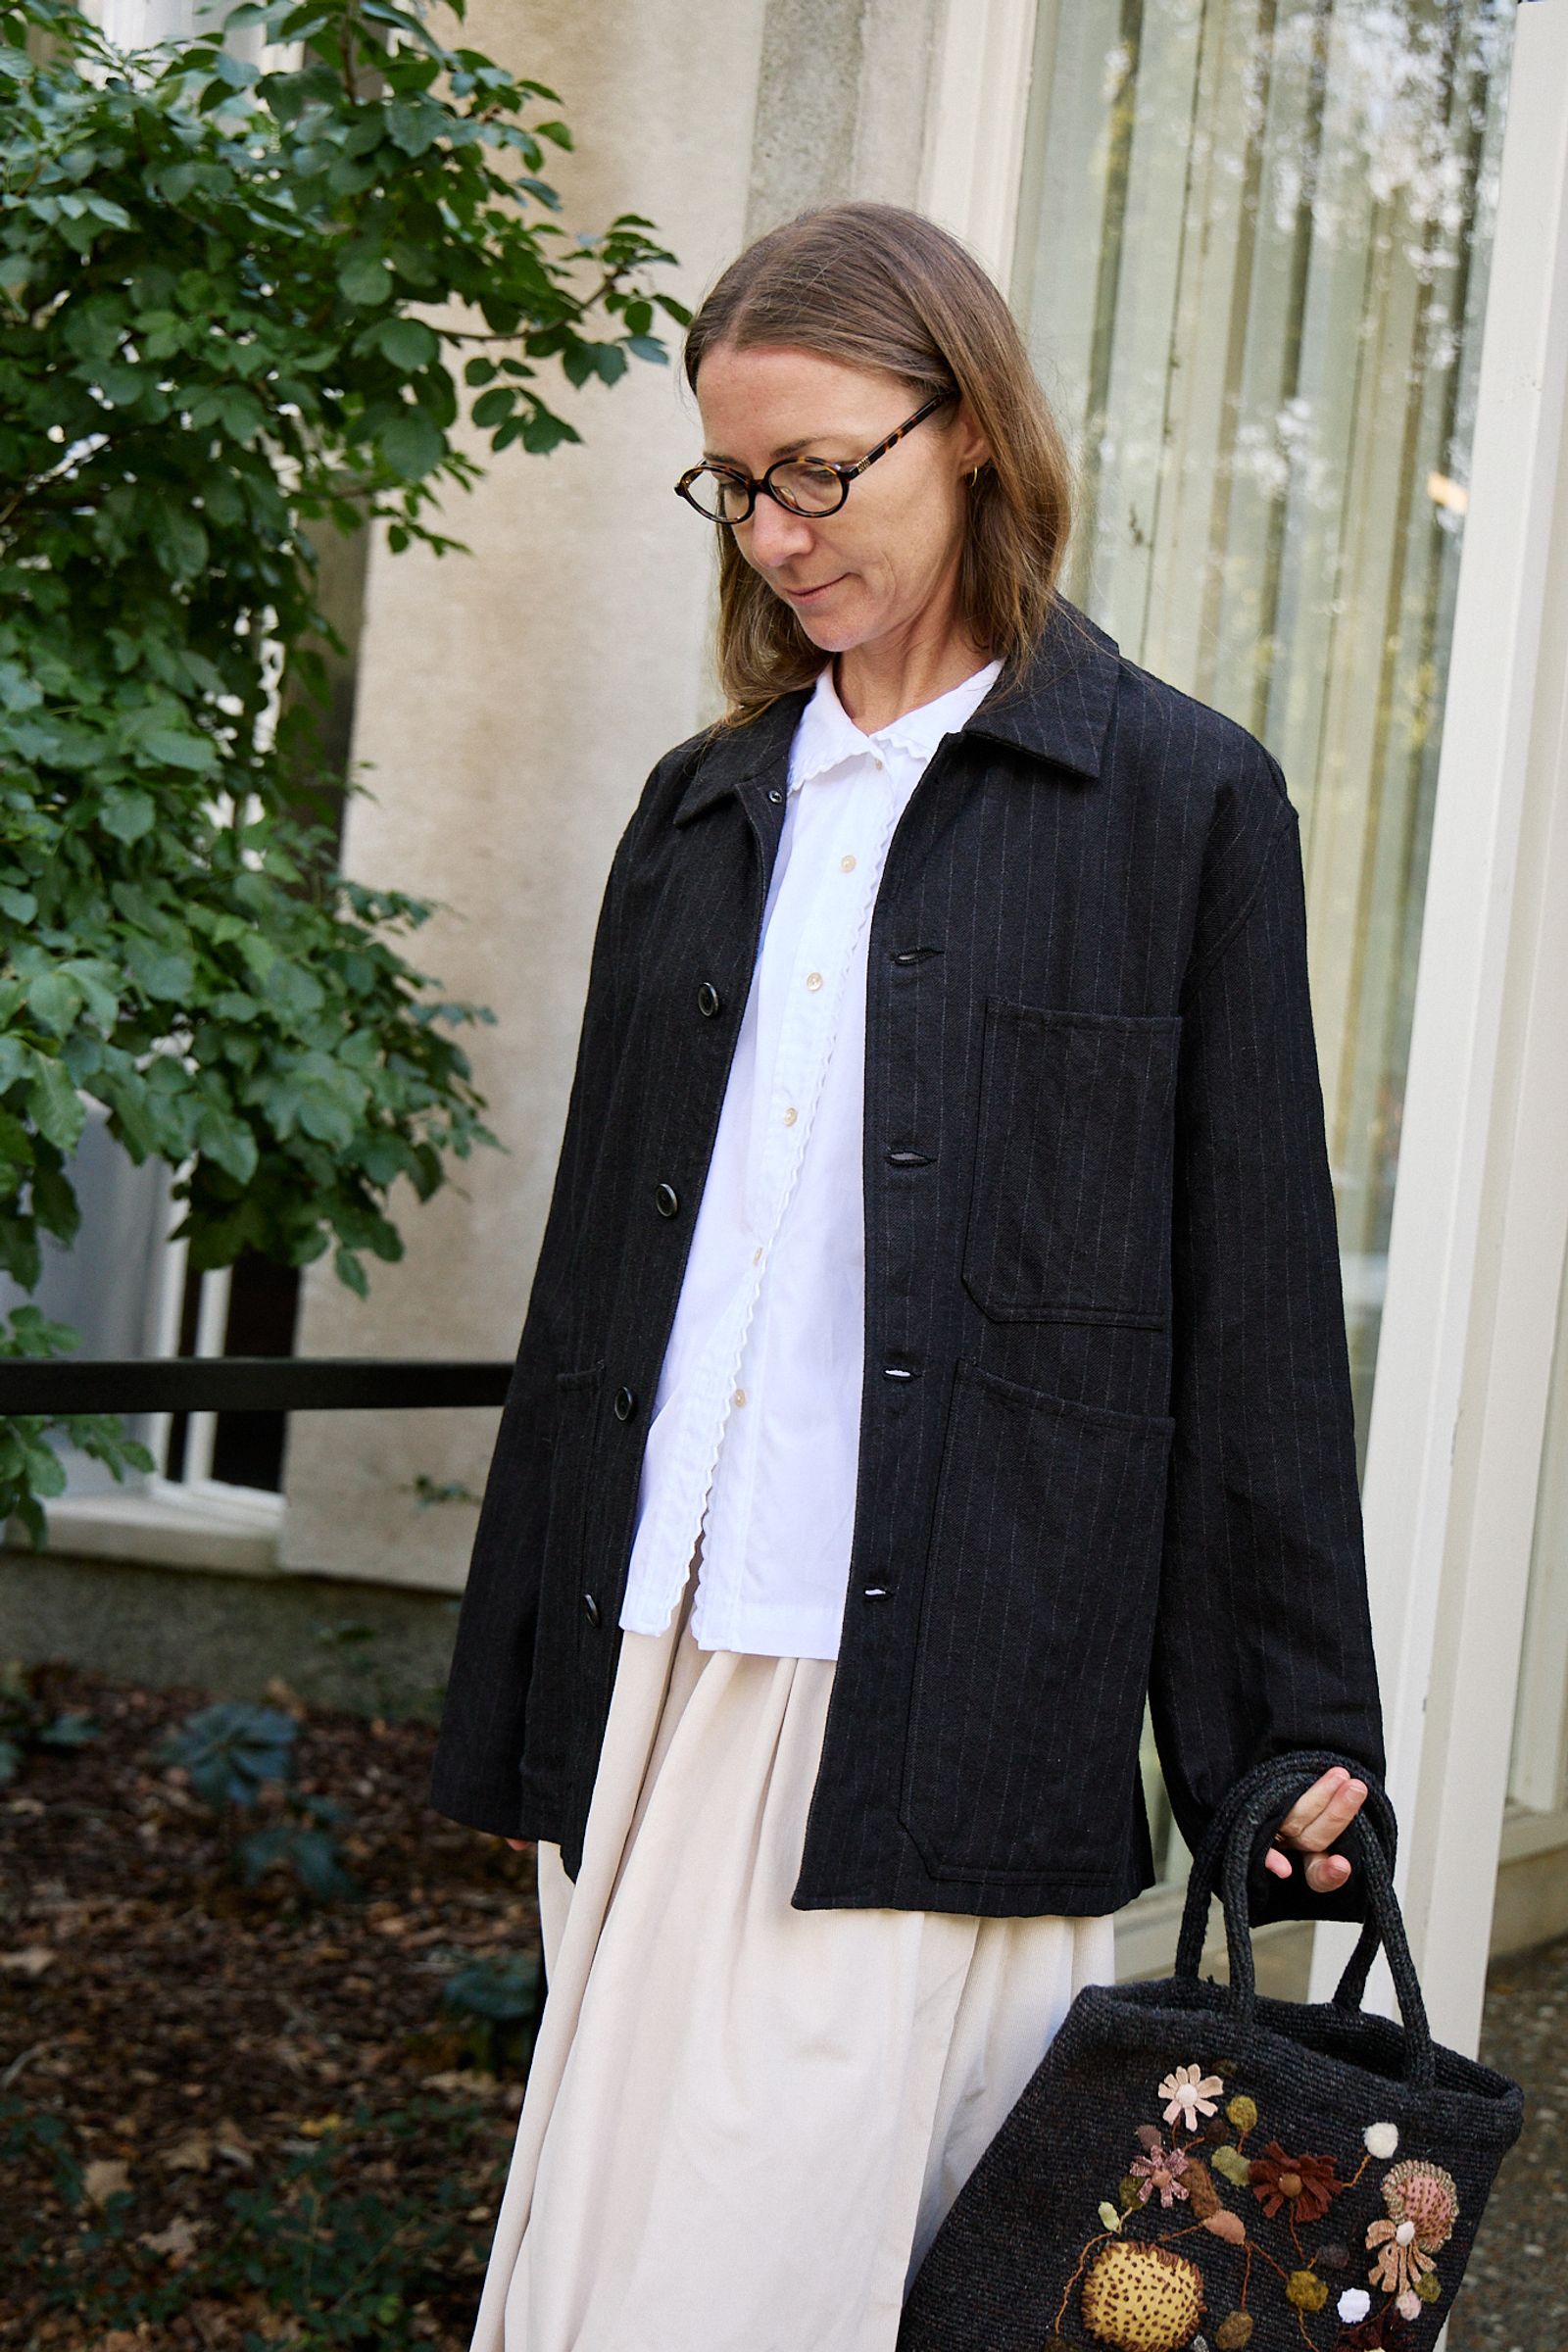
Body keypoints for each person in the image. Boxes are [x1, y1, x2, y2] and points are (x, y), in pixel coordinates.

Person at [426, 200, 1386, 2352]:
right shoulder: (702, 807)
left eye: (817, 470)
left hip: (938, 1689)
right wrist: (527, 1679)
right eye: (731, 484)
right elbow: (597, 1287)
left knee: (756, 2282)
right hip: (654, 1654)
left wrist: (1283, 1736)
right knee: (608, 2260)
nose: (773, 533)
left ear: (970, 431)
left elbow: (1245, 1305)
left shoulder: (1177, 803)